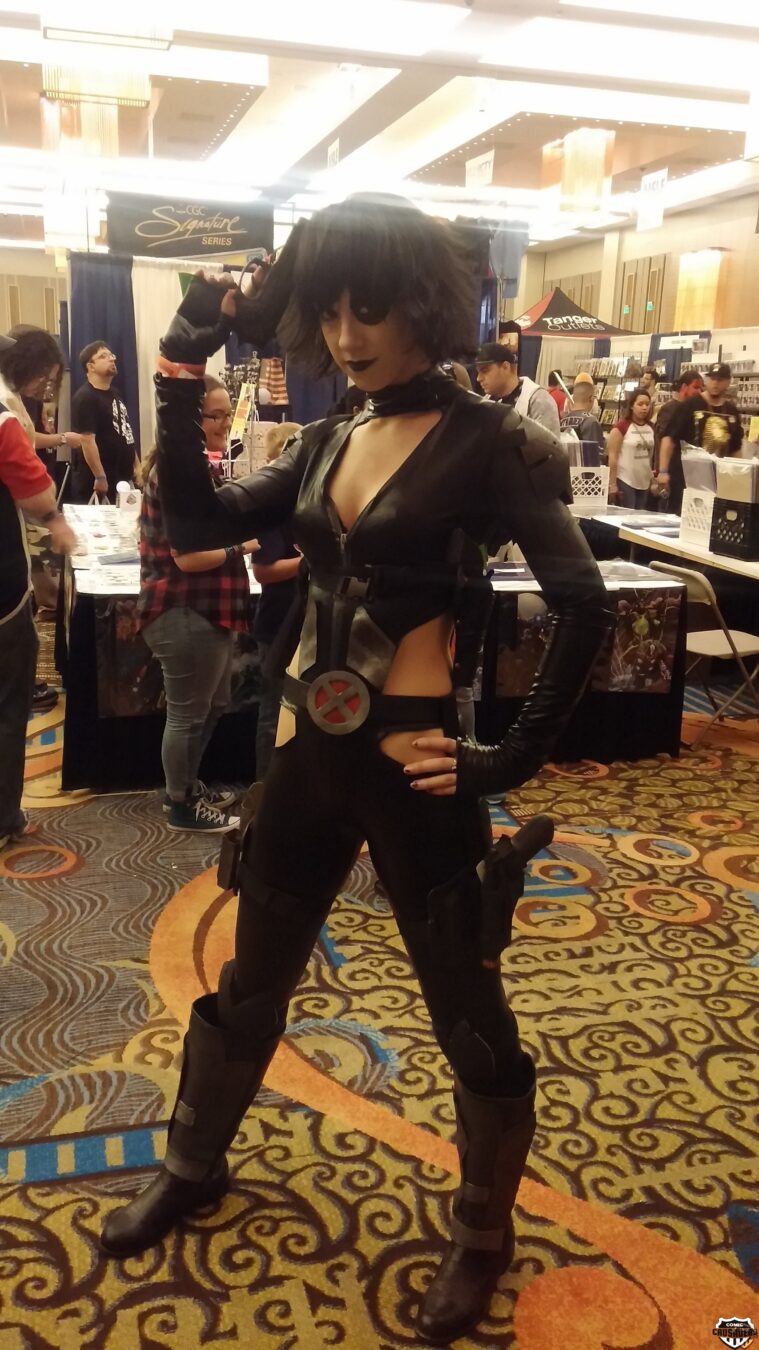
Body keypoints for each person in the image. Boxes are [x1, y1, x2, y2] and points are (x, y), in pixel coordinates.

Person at [100, 196, 612, 1346]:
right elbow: (198, 522)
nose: (344, 335)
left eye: (368, 309)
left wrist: (504, 759)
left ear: (423, 304)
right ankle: (192, 1163)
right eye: (327, 312)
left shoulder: (493, 442)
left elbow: (581, 605)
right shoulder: (327, 437)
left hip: (413, 761)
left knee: (468, 1014)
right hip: (301, 756)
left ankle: (482, 1235)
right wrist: (180, 364)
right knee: (250, 984)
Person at [136, 375, 258, 833]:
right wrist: (241, 546)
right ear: (189, 420)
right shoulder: (177, 474)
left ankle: (185, 785)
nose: (225, 424)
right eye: (214, 415)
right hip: (184, 608)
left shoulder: (190, 468)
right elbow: (186, 559)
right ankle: (181, 803)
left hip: (206, 608)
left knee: (213, 705)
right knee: (189, 713)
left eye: (227, 414)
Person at [0, 329, 77, 849]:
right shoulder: (3, 419)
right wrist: (54, 518)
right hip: (2, 592)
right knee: (10, 704)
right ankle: (5, 817)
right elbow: (38, 490)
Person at [251, 421, 303, 779]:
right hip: (279, 625)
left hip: (311, 623)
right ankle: (264, 791)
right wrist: (310, 563)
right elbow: (263, 571)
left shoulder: (314, 504)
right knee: (274, 713)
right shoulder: (272, 509)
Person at [658, 362, 743, 511]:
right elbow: (669, 439)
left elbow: (736, 449)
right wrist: (663, 471)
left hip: (717, 480)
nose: (715, 383)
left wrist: (738, 476)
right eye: (712, 379)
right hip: (685, 479)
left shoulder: (731, 411)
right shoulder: (690, 406)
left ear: (728, 382)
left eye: (720, 380)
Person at [70, 341, 140, 503]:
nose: (111, 359)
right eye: (103, 356)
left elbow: (126, 433)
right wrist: (100, 476)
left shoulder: (115, 393)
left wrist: (137, 466)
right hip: (99, 482)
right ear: (91, 366)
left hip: (123, 478)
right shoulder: (85, 397)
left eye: (111, 355)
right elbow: (87, 441)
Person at [474, 342, 561, 436]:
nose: (478, 378)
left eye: (485, 371)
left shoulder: (538, 400)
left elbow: (549, 444)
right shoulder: (486, 401)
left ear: (505, 367)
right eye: (478, 372)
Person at [652, 368, 704, 511]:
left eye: (701, 388)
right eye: (696, 387)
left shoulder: (695, 409)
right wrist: (662, 471)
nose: (699, 392)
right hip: (671, 471)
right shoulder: (670, 409)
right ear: (684, 387)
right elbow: (663, 441)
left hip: (689, 471)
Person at [606, 387, 655, 509]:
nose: (644, 407)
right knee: (627, 515)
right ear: (632, 406)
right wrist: (612, 483)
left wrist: (652, 477)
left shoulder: (651, 427)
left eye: (647, 404)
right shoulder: (621, 427)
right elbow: (613, 457)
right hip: (625, 480)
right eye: (640, 404)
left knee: (640, 515)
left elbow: (650, 456)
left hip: (644, 480)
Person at [560, 379, 605, 454]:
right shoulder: (591, 422)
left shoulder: (562, 421)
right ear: (591, 398)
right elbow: (595, 455)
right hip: (583, 461)